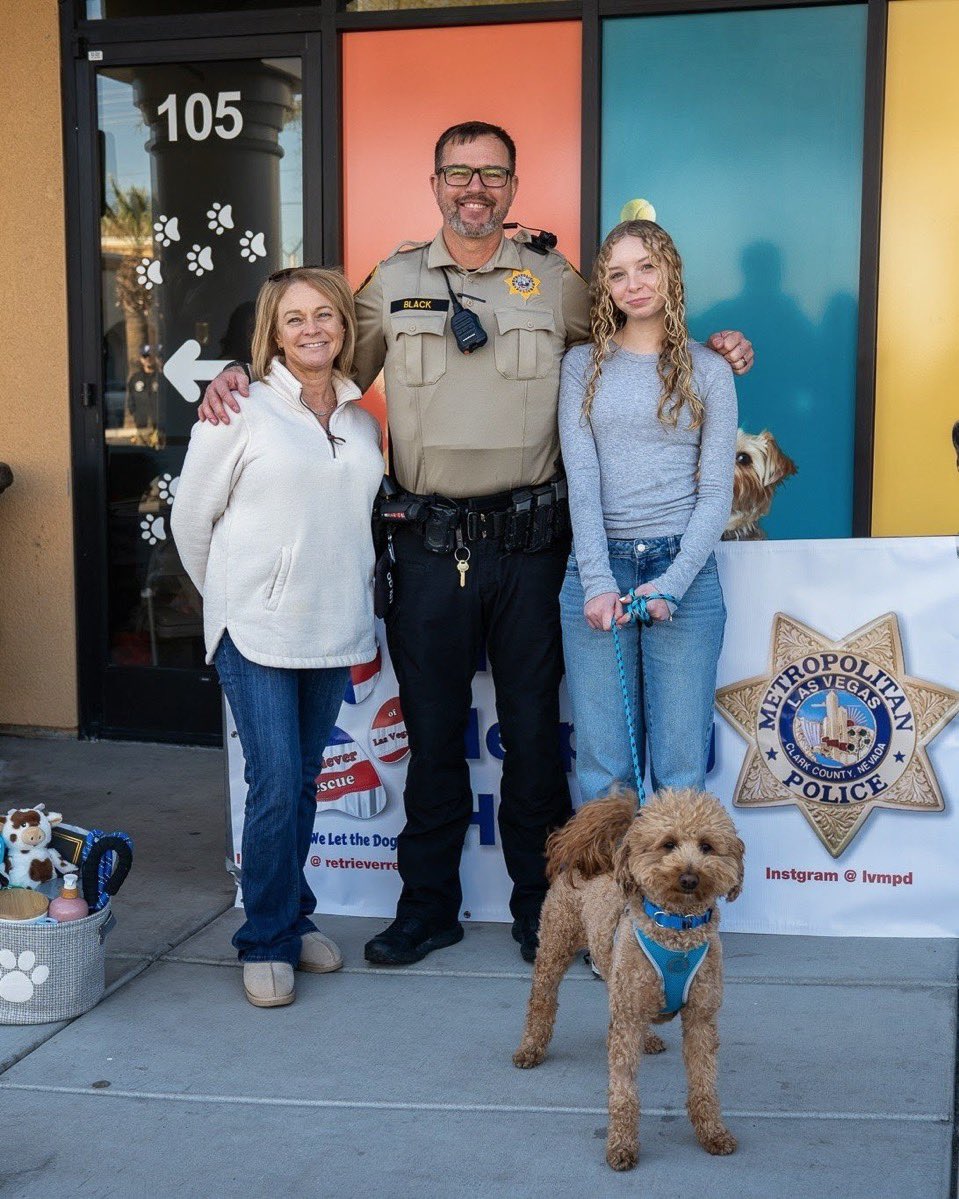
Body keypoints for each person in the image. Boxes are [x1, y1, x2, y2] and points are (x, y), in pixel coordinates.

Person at [198, 121, 753, 967]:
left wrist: (717, 347)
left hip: (533, 547)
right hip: (426, 546)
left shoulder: (556, 280)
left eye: (491, 174)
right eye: (458, 173)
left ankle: (545, 909)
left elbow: (637, 329)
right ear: (435, 183)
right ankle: (427, 907)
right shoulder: (392, 281)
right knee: (431, 736)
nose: (474, 188)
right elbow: (325, 360)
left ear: (511, 186)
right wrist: (239, 375)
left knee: (534, 738)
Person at [171, 268, 383, 1007]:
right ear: (273, 332)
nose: (312, 329)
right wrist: (234, 600)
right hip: (256, 632)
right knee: (273, 787)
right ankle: (263, 939)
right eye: (294, 319)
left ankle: (290, 918)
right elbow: (189, 521)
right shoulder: (240, 410)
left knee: (300, 785)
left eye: (325, 314)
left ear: (345, 326)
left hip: (333, 629)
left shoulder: (362, 421)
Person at [559, 220, 737, 804]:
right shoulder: (582, 365)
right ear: (605, 288)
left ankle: (676, 900)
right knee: (603, 770)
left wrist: (674, 585)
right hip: (598, 569)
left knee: (681, 768)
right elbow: (581, 480)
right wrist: (597, 582)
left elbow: (716, 493)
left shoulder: (708, 368)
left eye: (646, 267)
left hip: (681, 571)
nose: (633, 284)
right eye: (617, 274)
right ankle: (604, 900)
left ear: (670, 273)